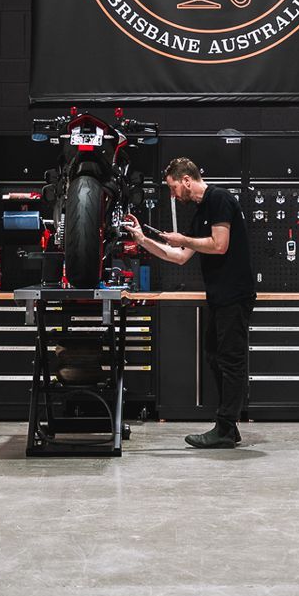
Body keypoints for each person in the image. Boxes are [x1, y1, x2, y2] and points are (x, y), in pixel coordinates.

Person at [124, 158, 254, 448]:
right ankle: (229, 427)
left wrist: (183, 237)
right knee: (214, 356)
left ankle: (225, 428)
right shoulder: (201, 212)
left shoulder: (219, 199)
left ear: (186, 180)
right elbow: (179, 256)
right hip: (219, 296)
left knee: (230, 361)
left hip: (235, 295)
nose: (172, 194)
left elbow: (219, 245)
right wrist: (142, 239)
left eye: (173, 188)